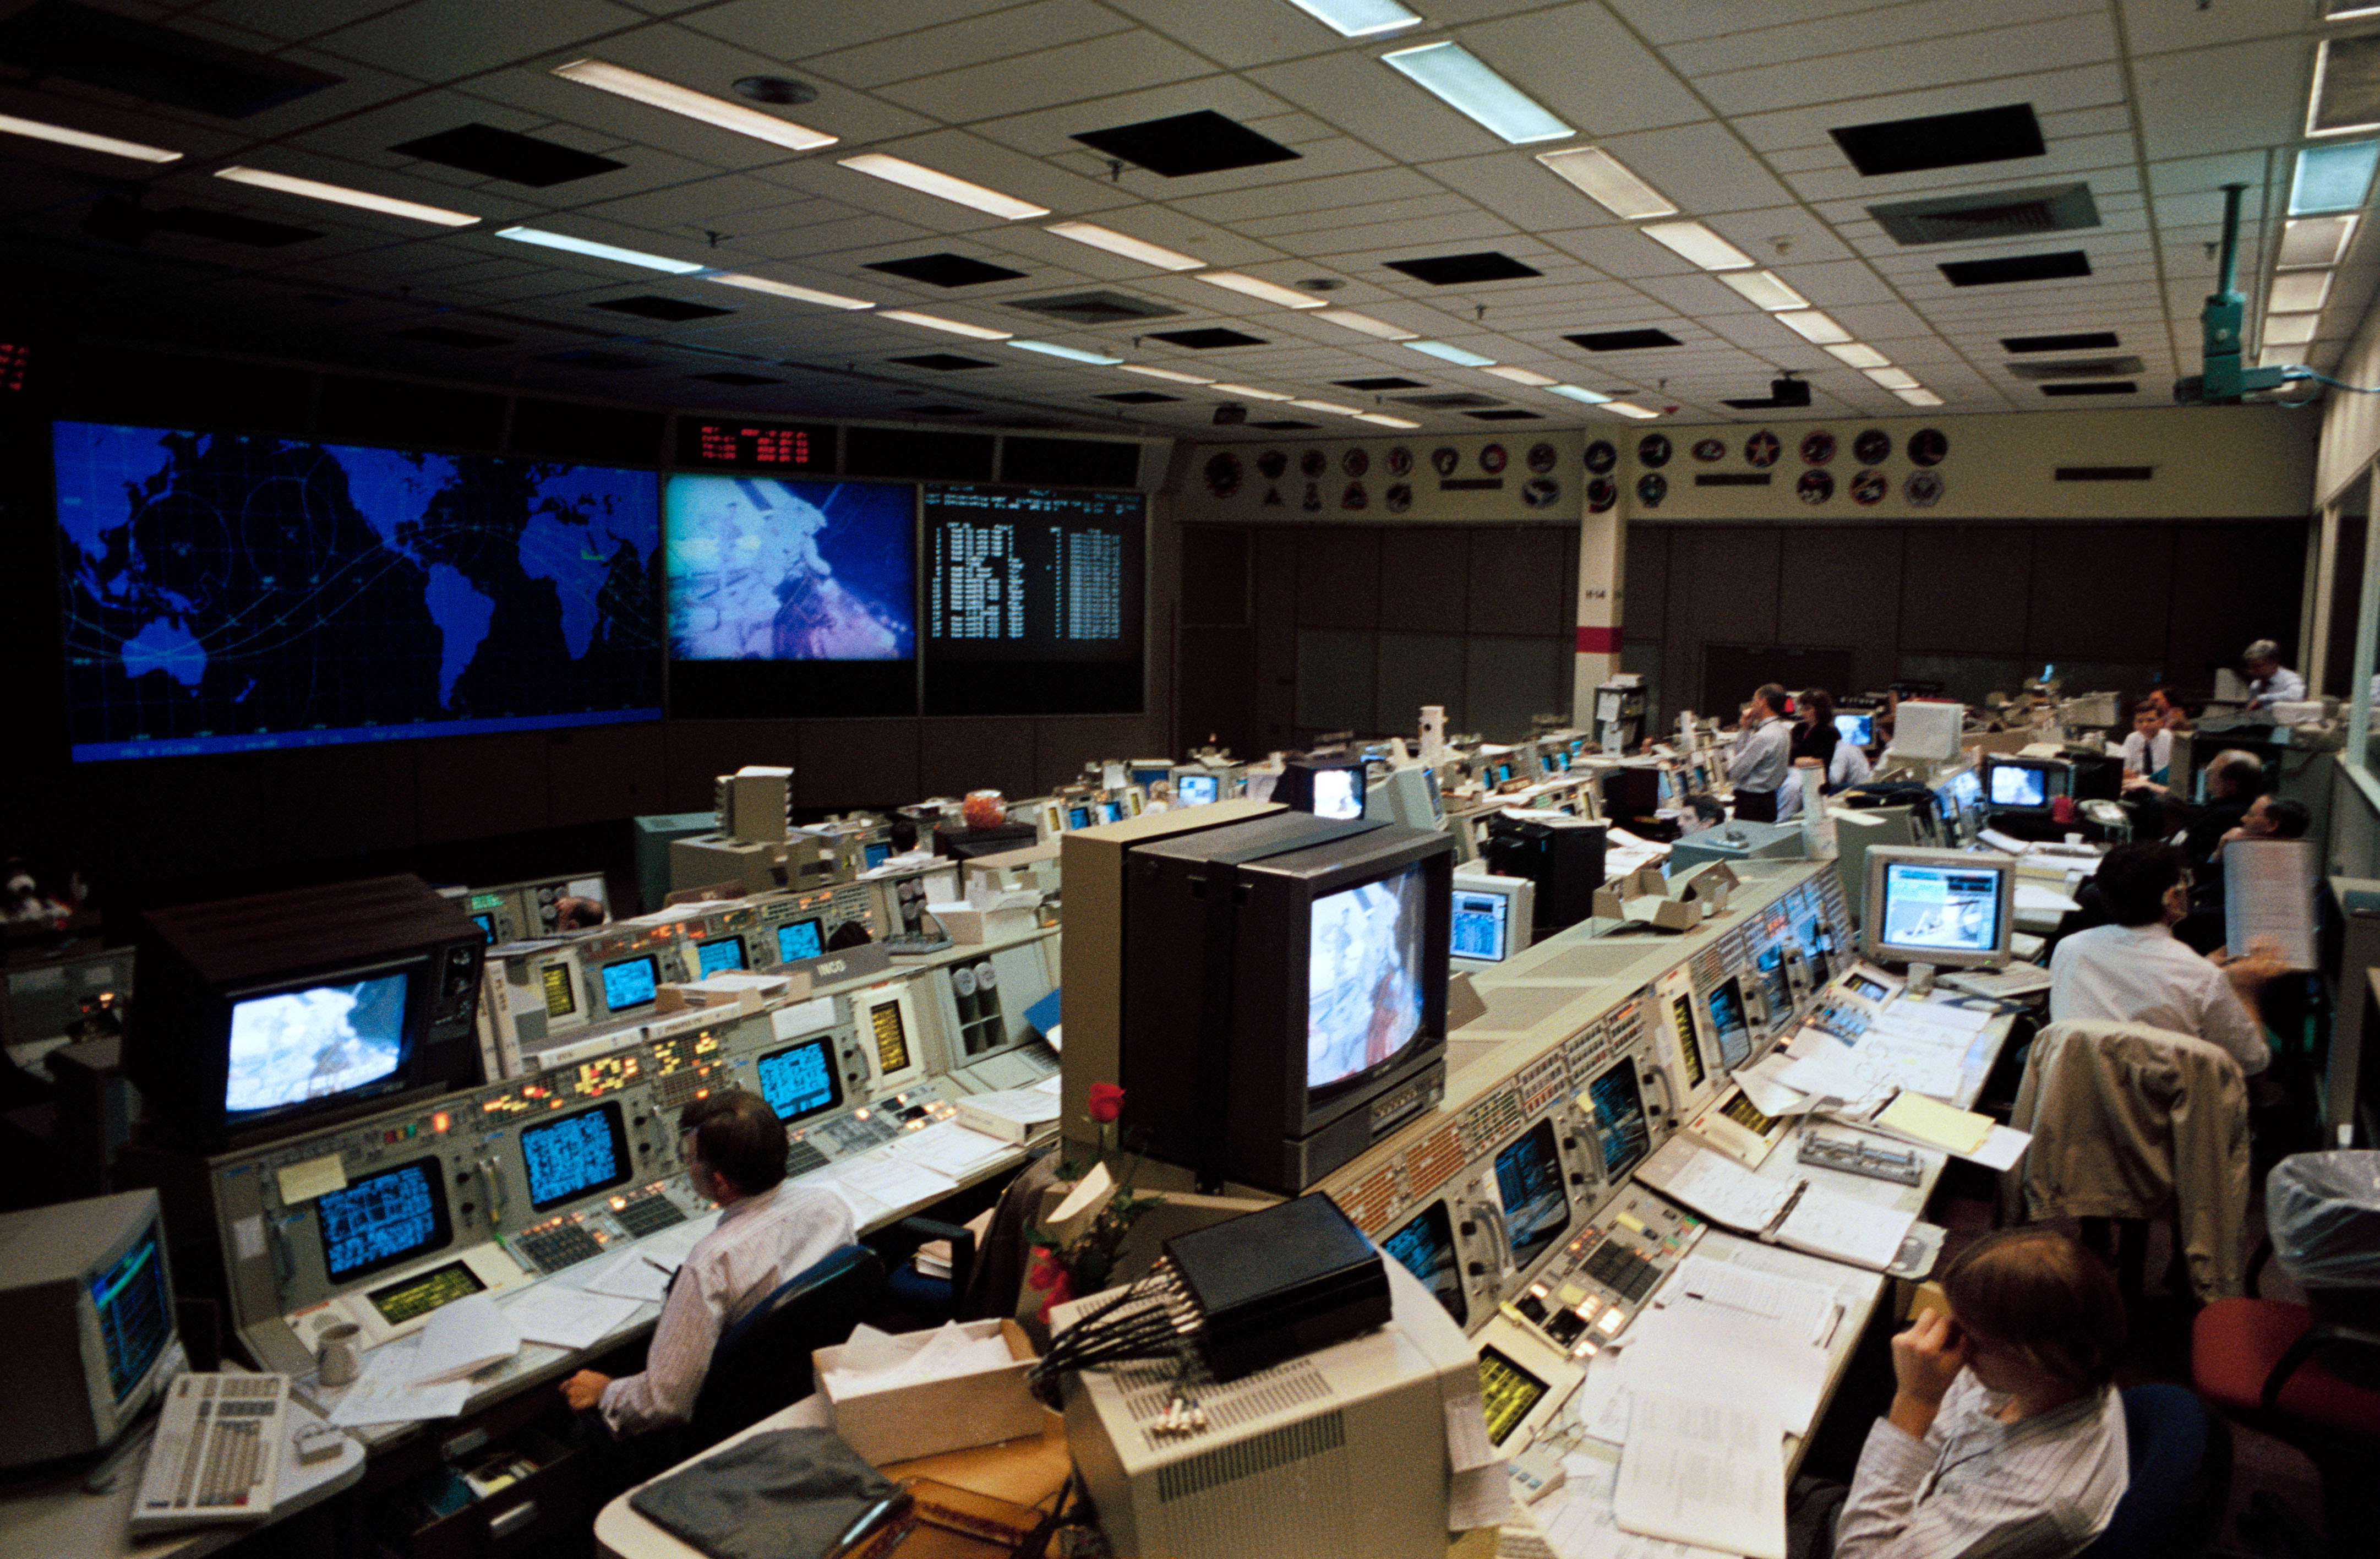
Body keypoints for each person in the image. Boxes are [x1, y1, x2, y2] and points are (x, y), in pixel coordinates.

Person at [1809, 1228, 2130, 1559]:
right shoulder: (2057, 1371)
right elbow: (1945, 1436)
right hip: (1909, 1505)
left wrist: (1914, 1402)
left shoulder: (2036, 1500)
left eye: (1973, 1338)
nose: (1955, 1345)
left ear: (2044, 1361)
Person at [563, 1091, 855, 1436]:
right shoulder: (831, 1206)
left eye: (690, 1160)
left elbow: (664, 1404)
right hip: (810, 1386)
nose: (687, 1168)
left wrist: (606, 1391)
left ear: (719, 1181)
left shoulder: (711, 1264)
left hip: (738, 1419)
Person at [2046, 841, 2281, 1077]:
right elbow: (2252, 1063)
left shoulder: (2069, 949)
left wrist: (2205, 971)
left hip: (2077, 1101)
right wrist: (2245, 989)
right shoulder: (2201, 976)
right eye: (2184, 879)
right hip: (2167, 1109)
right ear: (2172, 896)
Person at [1726, 683, 1792, 822]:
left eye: (1754, 700)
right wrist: (1745, 728)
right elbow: (1742, 758)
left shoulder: (1764, 736)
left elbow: (1735, 772)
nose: (1752, 705)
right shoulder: (1783, 731)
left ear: (1763, 702)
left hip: (1752, 807)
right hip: (1768, 803)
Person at [2117, 700, 2171, 788]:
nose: (2145, 725)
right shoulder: (2132, 738)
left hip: (2161, 786)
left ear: (2161, 723)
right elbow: (2122, 767)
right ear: (2135, 724)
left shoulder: (2171, 739)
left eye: (2150, 720)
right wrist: (2125, 772)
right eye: (2140, 721)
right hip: (2137, 785)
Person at [2241, 639, 2305, 710]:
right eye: (2251, 667)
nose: (2252, 671)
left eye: (2258, 666)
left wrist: (2262, 699)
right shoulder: (2255, 685)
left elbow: (2296, 696)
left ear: (2273, 664)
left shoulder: (2290, 678)